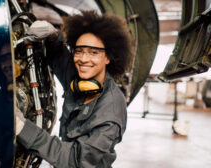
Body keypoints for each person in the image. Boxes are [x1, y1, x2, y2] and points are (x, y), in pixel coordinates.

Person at [16, 10, 134, 167]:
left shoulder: (111, 109)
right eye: (79, 51)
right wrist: (53, 36)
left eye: (93, 52)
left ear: (108, 57)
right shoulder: (80, 80)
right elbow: (59, 56)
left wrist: (22, 128)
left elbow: (76, 160)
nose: (84, 59)